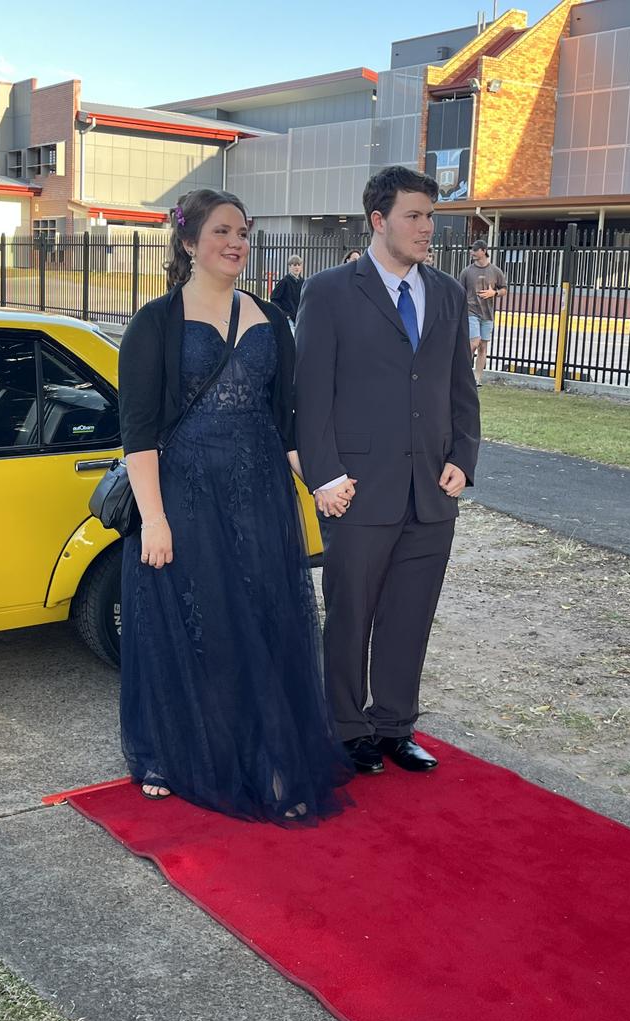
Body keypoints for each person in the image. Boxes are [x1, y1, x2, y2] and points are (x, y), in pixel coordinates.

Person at [117, 188, 352, 825]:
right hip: (185, 499)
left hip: (258, 500)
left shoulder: (273, 319)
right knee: (197, 628)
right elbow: (138, 431)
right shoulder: (155, 322)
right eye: (222, 231)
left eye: (243, 232)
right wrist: (155, 519)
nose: (236, 243)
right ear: (189, 242)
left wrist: (320, 481)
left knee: (264, 624)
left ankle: (265, 754)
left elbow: (287, 423)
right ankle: (173, 751)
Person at [295, 165, 480, 776]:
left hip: (431, 492)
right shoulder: (328, 292)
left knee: (409, 615)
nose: (428, 228)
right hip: (357, 491)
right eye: (415, 216)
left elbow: (460, 388)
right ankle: (347, 728)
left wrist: (462, 457)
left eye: (432, 216)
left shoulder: (449, 293)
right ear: (379, 220)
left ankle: (394, 727)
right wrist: (322, 476)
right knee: (349, 615)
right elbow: (310, 396)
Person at [458, 240, 507, 387]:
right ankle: (462, 372)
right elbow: (460, 292)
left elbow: (504, 289)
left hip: (487, 314)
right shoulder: (466, 271)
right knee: (474, 342)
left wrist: (494, 292)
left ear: (484, 250)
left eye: (475, 250)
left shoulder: (496, 271)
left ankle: (477, 379)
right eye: (471, 250)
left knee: (483, 346)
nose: (472, 252)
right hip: (470, 311)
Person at [269, 254, 304, 329]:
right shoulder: (284, 282)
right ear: (289, 267)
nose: (297, 267)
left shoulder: (303, 282)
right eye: (294, 265)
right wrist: (285, 315)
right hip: (289, 320)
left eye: (299, 265)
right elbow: (274, 299)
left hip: (300, 318)